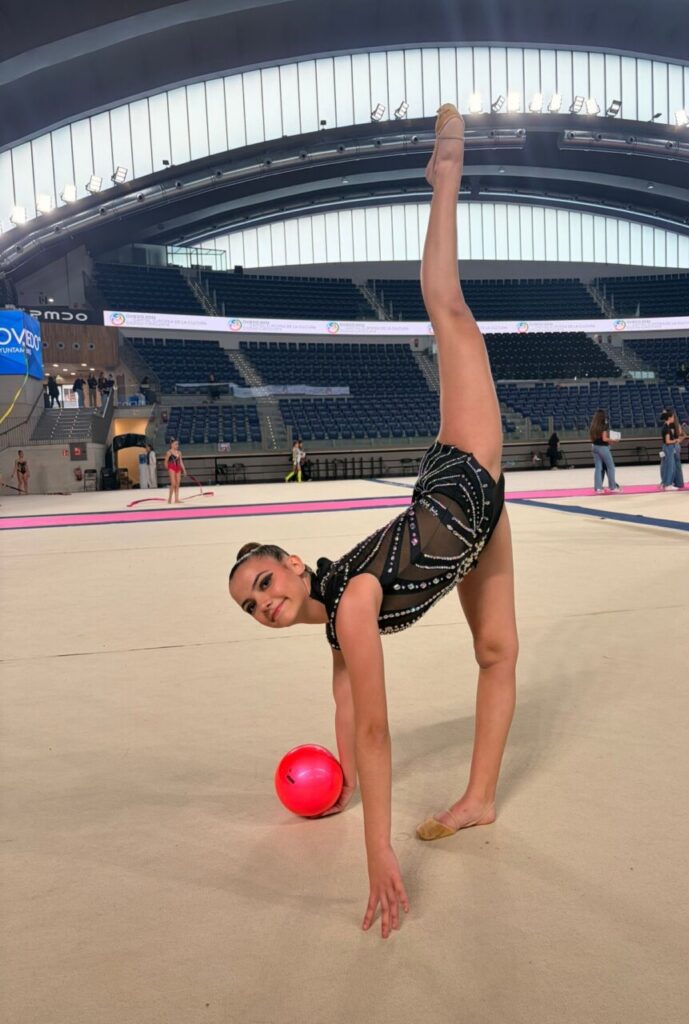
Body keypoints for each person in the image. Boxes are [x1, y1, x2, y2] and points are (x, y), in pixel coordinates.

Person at [228, 104, 518, 939]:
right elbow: (349, 722)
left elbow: (380, 730)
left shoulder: (351, 601)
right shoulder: (333, 629)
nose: (266, 602)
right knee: (496, 651)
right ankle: (481, 797)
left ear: (288, 560)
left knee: (451, 312)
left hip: (460, 482)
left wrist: (376, 848)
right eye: (254, 606)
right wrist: (341, 780)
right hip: (469, 532)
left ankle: (446, 176)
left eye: (263, 583)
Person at [588, 410, 620, 493]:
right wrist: (613, 440)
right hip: (603, 448)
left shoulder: (593, 426)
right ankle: (612, 487)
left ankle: (598, 488)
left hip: (594, 447)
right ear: (603, 417)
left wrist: (608, 441)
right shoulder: (604, 425)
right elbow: (604, 439)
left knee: (598, 468)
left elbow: (595, 438)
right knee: (611, 467)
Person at [164, 438, 185, 504]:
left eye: (178, 444)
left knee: (178, 483)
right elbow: (165, 462)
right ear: (172, 445)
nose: (177, 445)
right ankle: (170, 498)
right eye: (176, 444)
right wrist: (168, 468)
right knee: (173, 483)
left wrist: (184, 470)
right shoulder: (169, 452)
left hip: (178, 468)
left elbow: (181, 462)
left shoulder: (179, 452)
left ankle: (176, 499)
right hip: (171, 467)